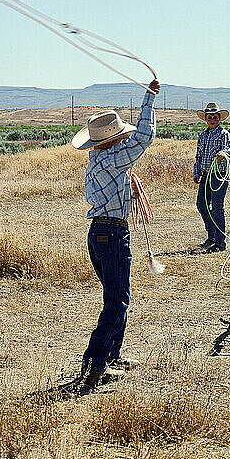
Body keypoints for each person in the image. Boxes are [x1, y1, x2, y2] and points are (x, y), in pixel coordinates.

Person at [72, 80, 160, 389]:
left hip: (98, 233)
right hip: (112, 233)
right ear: (114, 139)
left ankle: (111, 355)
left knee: (117, 296)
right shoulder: (114, 157)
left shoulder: (96, 160)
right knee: (117, 300)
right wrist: (148, 99)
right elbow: (146, 136)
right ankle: (97, 361)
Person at [193, 102, 230, 253]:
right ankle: (212, 236)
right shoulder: (203, 135)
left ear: (219, 119)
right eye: (209, 117)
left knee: (217, 207)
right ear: (206, 119)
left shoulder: (224, 134)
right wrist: (196, 172)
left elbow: (229, 149)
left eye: (215, 117)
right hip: (205, 174)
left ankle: (220, 242)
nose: (212, 120)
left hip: (219, 175)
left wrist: (222, 154)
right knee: (201, 205)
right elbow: (199, 155)